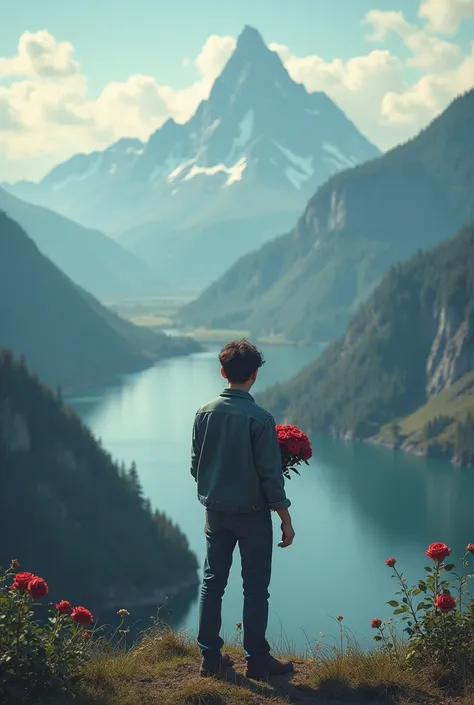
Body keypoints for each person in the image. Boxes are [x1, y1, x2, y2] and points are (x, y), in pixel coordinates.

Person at [190, 339, 295, 680]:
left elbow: (196, 466)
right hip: (251, 515)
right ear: (254, 375)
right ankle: (257, 660)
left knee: (212, 582)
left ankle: (210, 659)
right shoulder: (260, 419)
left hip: (215, 512)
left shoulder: (203, 413)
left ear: (223, 372)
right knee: (254, 587)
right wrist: (285, 518)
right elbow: (269, 475)